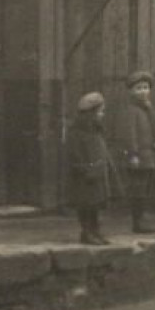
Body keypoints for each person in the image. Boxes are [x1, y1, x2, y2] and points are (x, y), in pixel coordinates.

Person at [112, 71, 155, 233]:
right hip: (138, 156)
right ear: (131, 91)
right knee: (138, 188)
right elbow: (130, 134)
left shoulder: (148, 109)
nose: (143, 91)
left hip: (149, 155)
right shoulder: (130, 110)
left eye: (146, 87)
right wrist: (133, 154)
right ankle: (138, 221)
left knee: (145, 188)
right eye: (138, 88)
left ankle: (143, 219)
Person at [66, 92, 115, 245]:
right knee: (85, 204)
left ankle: (95, 231)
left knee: (96, 205)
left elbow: (101, 149)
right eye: (100, 111)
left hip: (97, 173)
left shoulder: (96, 130)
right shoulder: (76, 132)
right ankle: (86, 232)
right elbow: (75, 154)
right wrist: (85, 168)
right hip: (85, 175)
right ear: (91, 113)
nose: (102, 115)